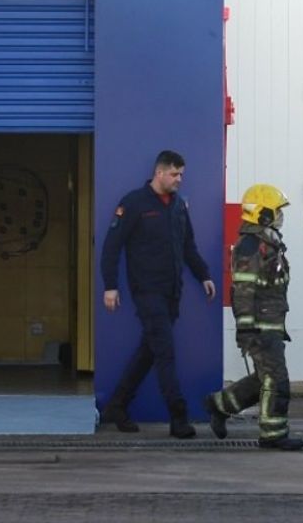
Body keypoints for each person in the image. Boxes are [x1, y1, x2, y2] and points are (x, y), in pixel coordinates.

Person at [100, 150, 216, 438]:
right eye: (175, 174)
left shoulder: (178, 206)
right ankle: (178, 418)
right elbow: (112, 247)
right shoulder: (133, 203)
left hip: (171, 292)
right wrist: (111, 286)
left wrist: (204, 275)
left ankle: (117, 404)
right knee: (165, 352)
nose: (179, 179)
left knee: (150, 350)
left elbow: (189, 246)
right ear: (160, 172)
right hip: (147, 291)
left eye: (182, 175)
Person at [204, 183, 303, 451]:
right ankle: (273, 434)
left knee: (264, 377)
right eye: (277, 211)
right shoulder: (251, 245)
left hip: (270, 322)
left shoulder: (267, 242)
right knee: (276, 379)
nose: (281, 216)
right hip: (261, 326)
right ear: (262, 215)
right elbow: (243, 289)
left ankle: (219, 405)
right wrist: (246, 329)